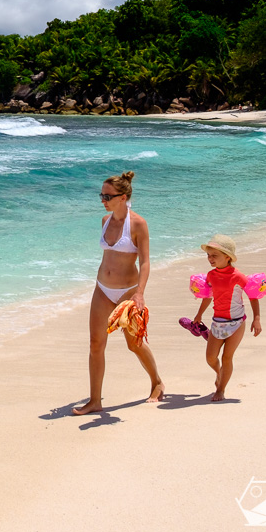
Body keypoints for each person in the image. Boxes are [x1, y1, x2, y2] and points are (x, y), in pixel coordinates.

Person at [72, 171, 164, 414]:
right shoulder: (104, 221)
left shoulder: (138, 224)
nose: (103, 199)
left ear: (122, 197)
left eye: (107, 196)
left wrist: (140, 293)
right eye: (101, 195)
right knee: (95, 344)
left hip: (128, 292)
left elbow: (145, 262)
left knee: (134, 344)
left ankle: (157, 381)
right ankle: (95, 401)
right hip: (102, 289)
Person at [189, 234, 262, 401]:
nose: (210, 259)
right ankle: (219, 372)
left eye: (214, 255)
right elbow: (208, 295)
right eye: (208, 255)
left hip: (236, 323)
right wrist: (199, 313)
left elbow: (253, 295)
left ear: (227, 257)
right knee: (210, 357)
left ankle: (220, 389)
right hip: (217, 322)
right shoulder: (211, 275)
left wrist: (256, 318)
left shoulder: (238, 276)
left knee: (227, 357)